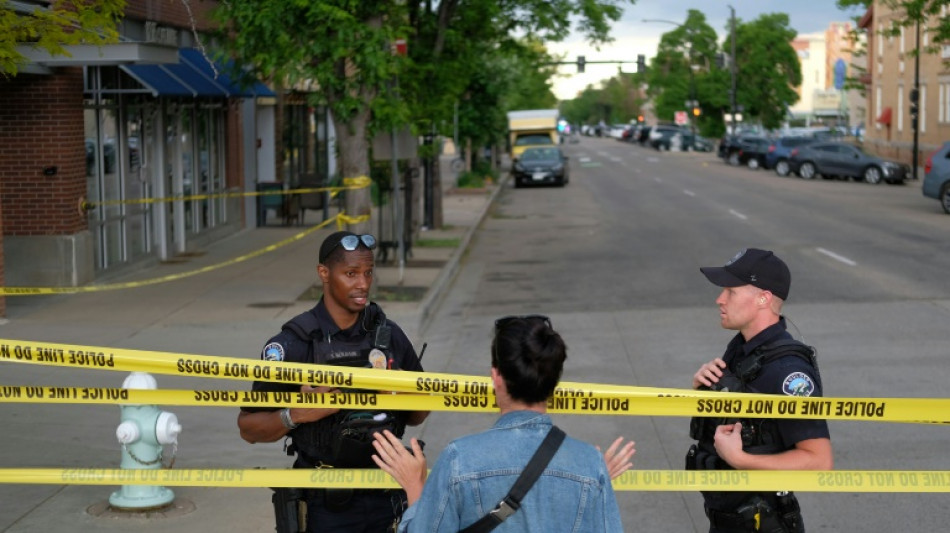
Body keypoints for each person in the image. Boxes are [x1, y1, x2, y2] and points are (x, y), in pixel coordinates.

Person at [238, 231, 429, 533]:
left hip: (387, 491)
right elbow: (247, 428)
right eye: (351, 274)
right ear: (324, 274)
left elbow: (418, 416)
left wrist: (403, 394)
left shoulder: (388, 335)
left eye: (368, 273)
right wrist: (297, 414)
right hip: (323, 500)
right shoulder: (293, 344)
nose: (363, 284)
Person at [371, 315, 635, 532]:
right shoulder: (590, 465)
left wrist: (415, 487)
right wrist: (588, 478)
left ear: (496, 377)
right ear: (554, 383)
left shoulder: (459, 459)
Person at [688, 248, 833, 533]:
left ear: (763, 298)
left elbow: (819, 461)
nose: (719, 299)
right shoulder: (743, 348)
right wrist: (702, 392)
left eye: (730, 291)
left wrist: (741, 460)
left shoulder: (788, 372)